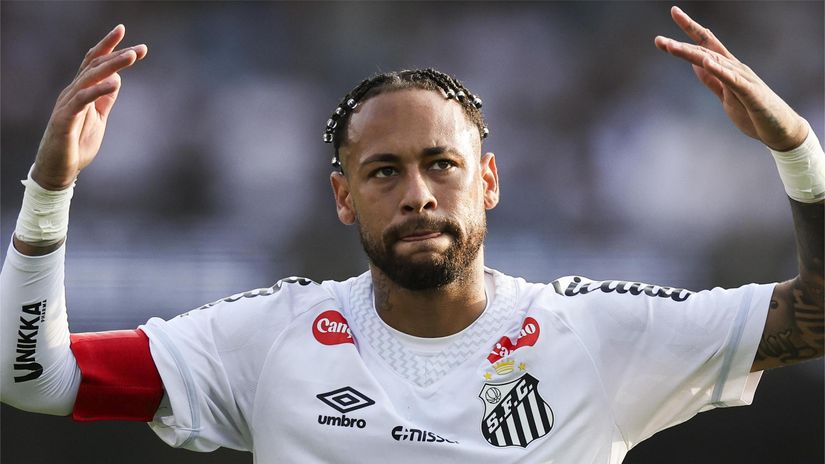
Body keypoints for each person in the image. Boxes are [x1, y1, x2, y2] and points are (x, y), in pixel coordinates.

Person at [1, 5, 822, 463]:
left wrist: (797, 152)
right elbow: (36, 379)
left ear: (489, 182)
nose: (419, 194)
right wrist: (51, 189)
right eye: (384, 172)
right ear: (342, 198)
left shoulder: (594, 332)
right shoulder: (266, 339)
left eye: (443, 165)